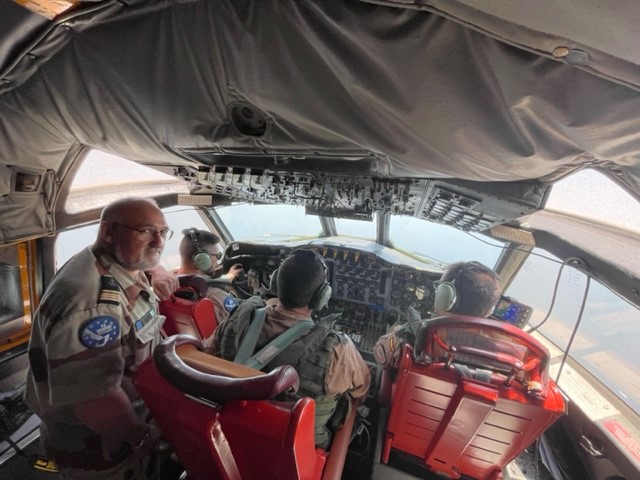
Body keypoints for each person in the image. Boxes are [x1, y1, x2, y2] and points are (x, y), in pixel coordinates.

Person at [24, 197, 173, 480]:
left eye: (163, 232)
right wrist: (144, 437)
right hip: (99, 444)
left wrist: (156, 268)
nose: (159, 241)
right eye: (146, 231)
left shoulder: (112, 262)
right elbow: (97, 402)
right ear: (108, 232)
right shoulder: (91, 303)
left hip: (118, 425)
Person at [206, 249, 371, 449]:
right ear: (321, 297)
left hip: (229, 431)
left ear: (275, 283)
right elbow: (362, 389)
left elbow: (207, 354)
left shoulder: (238, 318)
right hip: (294, 452)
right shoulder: (338, 348)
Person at [373, 260, 501, 368]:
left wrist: (398, 329)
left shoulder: (417, 336)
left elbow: (380, 353)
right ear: (489, 310)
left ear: (444, 296)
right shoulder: (502, 356)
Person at [175, 228, 244, 322]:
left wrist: (227, 278)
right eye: (218, 256)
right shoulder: (214, 296)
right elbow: (244, 321)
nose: (218, 261)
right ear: (202, 259)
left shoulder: (171, 285)